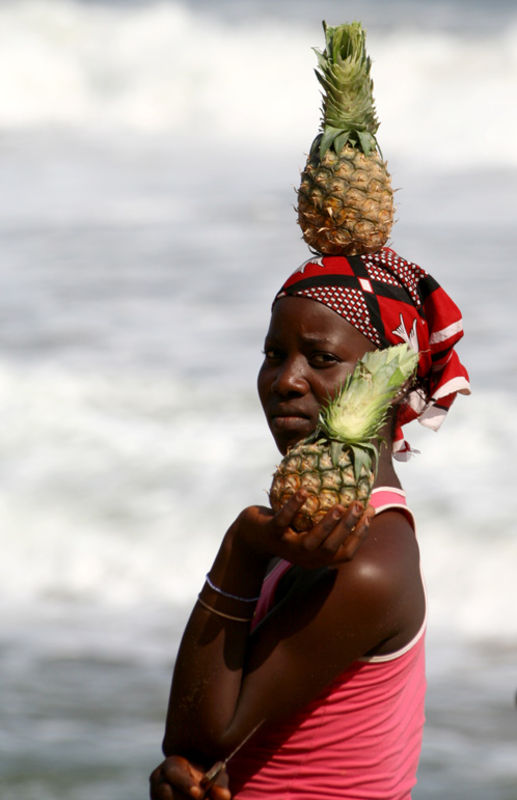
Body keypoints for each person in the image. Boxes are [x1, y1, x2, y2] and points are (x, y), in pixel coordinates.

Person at [150, 248, 470, 800]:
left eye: (321, 359)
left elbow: (200, 737)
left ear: (390, 381)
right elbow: (208, 752)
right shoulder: (316, 525)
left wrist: (242, 543)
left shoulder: (366, 562)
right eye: (274, 354)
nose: (286, 380)